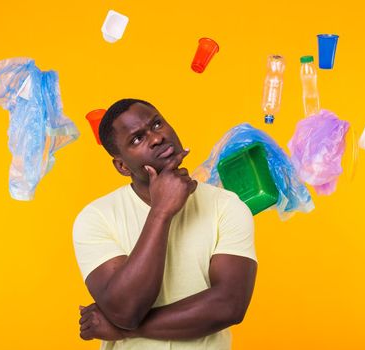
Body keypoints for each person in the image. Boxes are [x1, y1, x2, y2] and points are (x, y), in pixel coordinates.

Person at [73, 98, 257, 349]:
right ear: (122, 165)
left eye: (157, 124)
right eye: (137, 139)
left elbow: (229, 306)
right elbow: (125, 310)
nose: (157, 138)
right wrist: (161, 212)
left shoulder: (226, 206)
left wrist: (122, 330)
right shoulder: (96, 217)